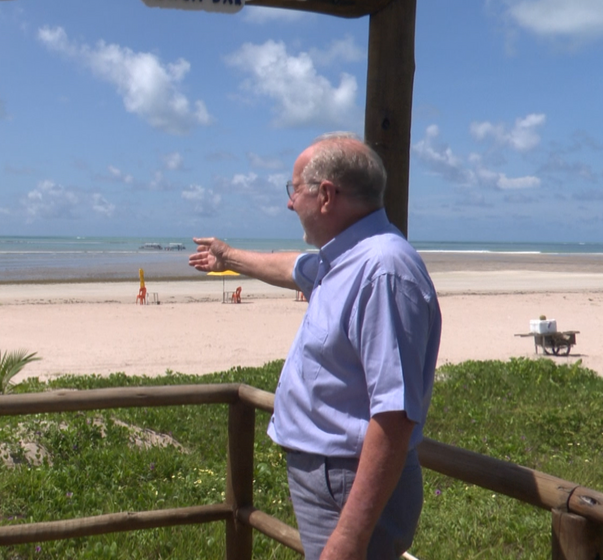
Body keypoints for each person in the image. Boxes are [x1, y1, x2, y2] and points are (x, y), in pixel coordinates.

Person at [189, 133, 441, 559]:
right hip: (333, 477)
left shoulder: (382, 271)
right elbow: (291, 267)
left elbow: (395, 415)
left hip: (348, 480)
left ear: (325, 195)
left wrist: (349, 539)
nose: (290, 204)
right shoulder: (342, 258)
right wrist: (227, 256)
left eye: (294, 190)